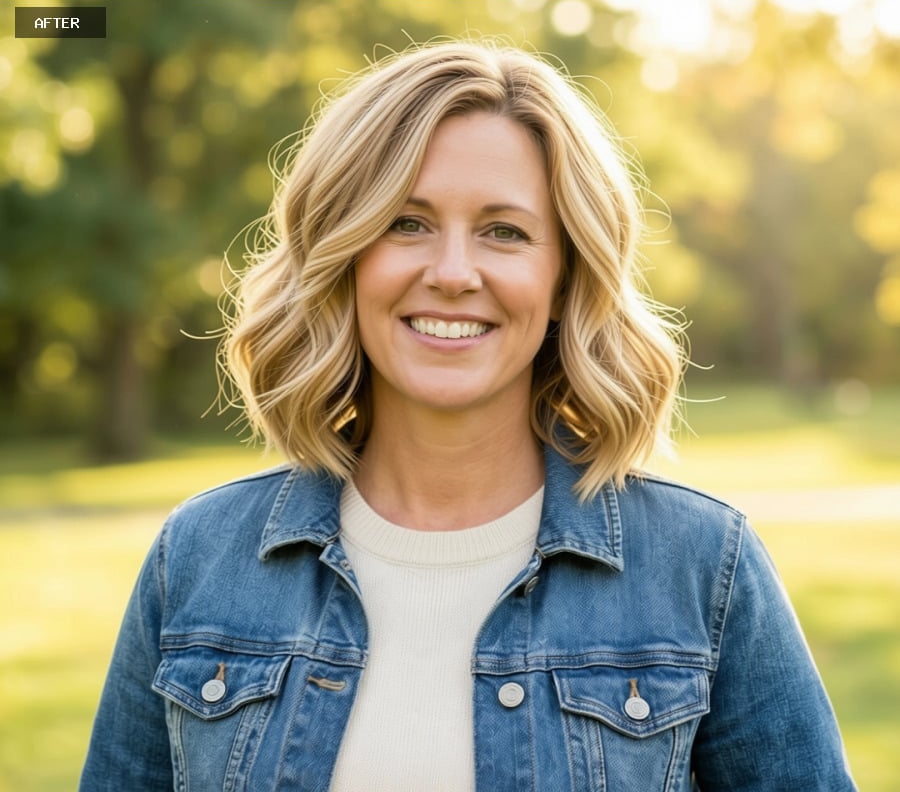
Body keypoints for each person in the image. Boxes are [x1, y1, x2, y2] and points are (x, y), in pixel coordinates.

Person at [80, 41, 856, 791]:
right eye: (405, 223)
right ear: (343, 258)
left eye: (504, 232)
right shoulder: (199, 558)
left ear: (563, 281)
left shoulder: (703, 567)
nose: (452, 274)